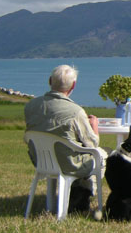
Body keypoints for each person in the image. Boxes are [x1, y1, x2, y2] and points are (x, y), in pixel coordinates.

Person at [24, 64, 106, 213]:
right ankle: (85, 194)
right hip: (69, 164)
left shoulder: (30, 106)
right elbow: (92, 143)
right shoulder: (75, 111)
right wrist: (94, 125)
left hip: (41, 161)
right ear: (73, 85)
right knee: (102, 154)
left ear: (50, 81)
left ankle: (74, 195)